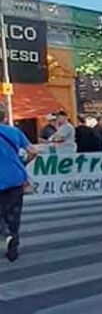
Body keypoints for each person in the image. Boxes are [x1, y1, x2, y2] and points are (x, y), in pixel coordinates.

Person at [0, 102, 38, 262]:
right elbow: (33, 151)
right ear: (4, 116)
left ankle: (7, 236)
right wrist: (22, 163)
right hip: (16, 177)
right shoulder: (14, 131)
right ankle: (13, 242)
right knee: (14, 213)